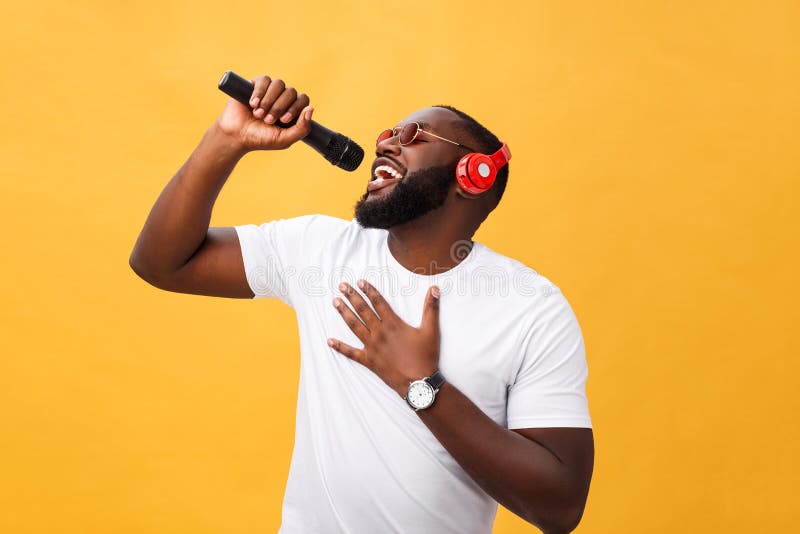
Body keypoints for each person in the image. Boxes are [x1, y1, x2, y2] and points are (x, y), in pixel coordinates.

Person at [129, 74, 594, 534]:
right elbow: (161, 263)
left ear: (474, 175)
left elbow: (560, 506)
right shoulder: (319, 249)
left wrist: (422, 386)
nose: (387, 144)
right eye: (388, 133)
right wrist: (226, 139)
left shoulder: (532, 309)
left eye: (412, 135)